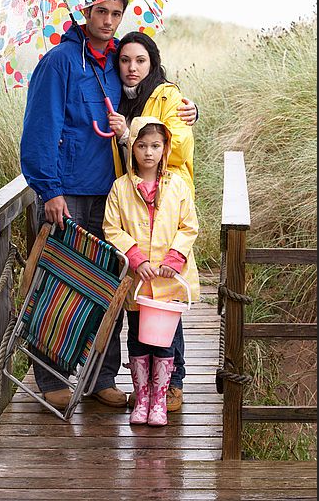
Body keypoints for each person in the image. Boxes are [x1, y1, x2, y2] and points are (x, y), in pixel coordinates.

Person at [20, 0, 196, 411]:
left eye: (116, 14)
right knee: (61, 284)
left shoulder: (115, 61)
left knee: (113, 289)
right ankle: (52, 376)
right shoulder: (61, 61)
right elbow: (40, 128)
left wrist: (191, 110)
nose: (109, 21)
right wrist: (49, 188)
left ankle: (101, 377)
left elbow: (151, 109)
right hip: (68, 194)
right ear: (86, 13)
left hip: (114, 194)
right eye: (102, 12)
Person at [107, 31, 195, 411]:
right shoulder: (119, 95)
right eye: (125, 60)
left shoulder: (167, 95)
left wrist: (130, 135)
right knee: (142, 308)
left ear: (152, 62)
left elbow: (178, 140)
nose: (132, 68)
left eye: (140, 60)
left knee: (167, 304)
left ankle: (172, 383)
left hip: (168, 203)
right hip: (132, 207)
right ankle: (145, 391)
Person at [103, 117, 200, 426]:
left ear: (165, 148)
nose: (148, 152)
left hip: (169, 281)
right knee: (137, 338)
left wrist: (174, 259)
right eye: (141, 146)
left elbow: (189, 226)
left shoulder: (178, 187)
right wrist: (135, 257)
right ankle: (141, 396)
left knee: (165, 340)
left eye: (156, 146)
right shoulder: (120, 188)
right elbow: (112, 228)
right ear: (132, 149)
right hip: (138, 280)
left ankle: (160, 398)